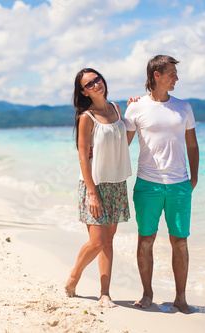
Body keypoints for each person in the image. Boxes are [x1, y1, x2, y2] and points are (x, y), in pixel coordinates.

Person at [124, 55, 199, 314]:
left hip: (179, 186)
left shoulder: (184, 107)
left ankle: (180, 297)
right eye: (171, 73)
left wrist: (194, 178)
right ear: (156, 75)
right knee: (146, 239)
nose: (176, 78)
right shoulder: (136, 107)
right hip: (148, 184)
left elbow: (192, 144)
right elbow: (123, 144)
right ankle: (147, 294)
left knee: (180, 242)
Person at [65, 68, 132, 308]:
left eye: (97, 79)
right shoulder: (86, 117)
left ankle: (105, 293)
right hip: (94, 185)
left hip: (116, 183)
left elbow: (122, 142)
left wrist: (133, 109)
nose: (96, 85)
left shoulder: (116, 108)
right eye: (90, 84)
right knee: (97, 241)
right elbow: (83, 156)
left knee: (109, 241)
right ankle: (74, 275)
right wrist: (92, 193)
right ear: (83, 91)